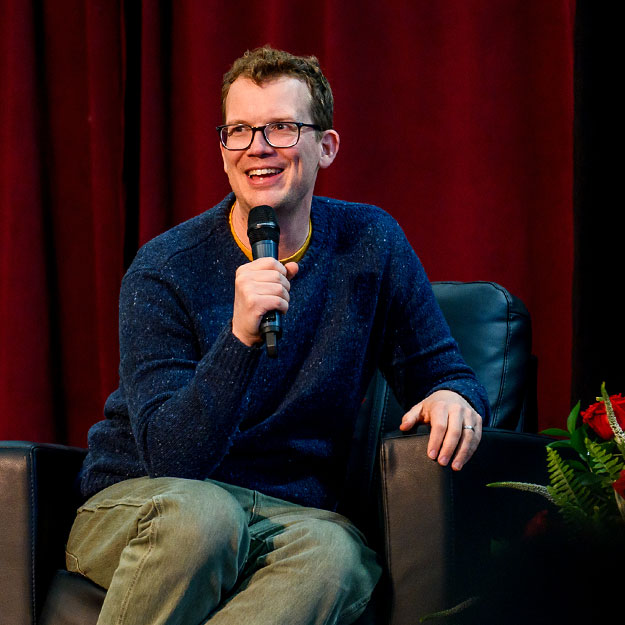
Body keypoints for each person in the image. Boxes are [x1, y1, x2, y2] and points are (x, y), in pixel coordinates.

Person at [66, 46, 490, 625]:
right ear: (222, 153)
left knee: (338, 557)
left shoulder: (370, 244)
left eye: (281, 128)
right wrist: (240, 340)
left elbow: (447, 372)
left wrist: (451, 394)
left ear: (326, 147)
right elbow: (170, 457)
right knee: (204, 518)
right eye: (239, 131)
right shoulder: (165, 267)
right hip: (146, 500)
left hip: (288, 513)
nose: (257, 148)